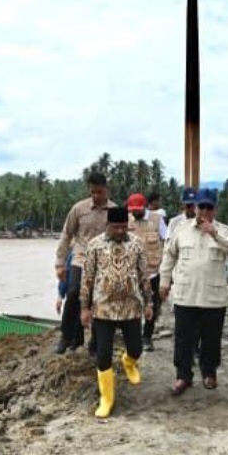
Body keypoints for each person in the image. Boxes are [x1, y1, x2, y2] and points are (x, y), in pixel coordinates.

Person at [158, 189, 228, 395]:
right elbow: (169, 256)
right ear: (195, 208)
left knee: (211, 338)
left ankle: (209, 373)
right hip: (186, 294)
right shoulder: (181, 229)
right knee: (183, 338)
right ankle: (183, 376)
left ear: (215, 209)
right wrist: (164, 282)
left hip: (213, 297)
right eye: (200, 207)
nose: (204, 211)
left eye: (208, 207)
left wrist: (214, 233)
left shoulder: (224, 230)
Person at [80, 206, 153, 420]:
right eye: (116, 227)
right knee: (103, 355)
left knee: (136, 348)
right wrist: (84, 308)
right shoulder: (94, 245)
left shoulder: (137, 244)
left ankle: (128, 362)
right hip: (103, 308)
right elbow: (88, 279)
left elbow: (144, 276)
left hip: (131, 307)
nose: (120, 231)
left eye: (124, 227)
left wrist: (149, 303)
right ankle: (107, 399)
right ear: (107, 225)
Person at [54, 172, 116, 354]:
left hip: (104, 262)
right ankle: (67, 335)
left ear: (107, 189)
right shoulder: (79, 209)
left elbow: (123, 236)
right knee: (74, 293)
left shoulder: (115, 211)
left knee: (99, 302)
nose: (96, 196)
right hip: (80, 258)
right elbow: (66, 234)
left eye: (100, 192)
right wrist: (59, 262)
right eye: (93, 192)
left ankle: (95, 342)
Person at [127, 193, 167, 351]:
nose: (135, 213)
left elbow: (168, 241)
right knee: (133, 305)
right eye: (132, 211)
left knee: (153, 305)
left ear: (144, 207)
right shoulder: (127, 220)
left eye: (138, 210)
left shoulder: (157, 220)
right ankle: (134, 337)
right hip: (132, 272)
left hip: (153, 272)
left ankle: (147, 337)